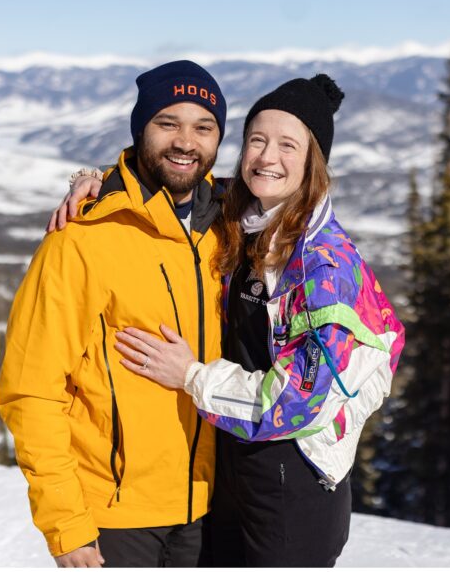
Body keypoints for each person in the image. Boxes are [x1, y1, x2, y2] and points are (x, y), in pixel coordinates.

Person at [65, 75, 405, 566]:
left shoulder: (324, 268)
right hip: (233, 471)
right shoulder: (244, 212)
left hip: (294, 488)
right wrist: (99, 178)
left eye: (289, 145)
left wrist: (190, 376)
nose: (268, 157)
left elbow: (296, 404)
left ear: (314, 164)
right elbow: (172, 177)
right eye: (257, 140)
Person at [0, 60, 229, 568]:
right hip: (115, 520)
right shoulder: (82, 239)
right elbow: (30, 389)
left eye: (203, 126)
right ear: (140, 129)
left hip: (210, 508)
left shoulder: (227, 227)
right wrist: (67, 525)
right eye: (167, 123)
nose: (185, 141)